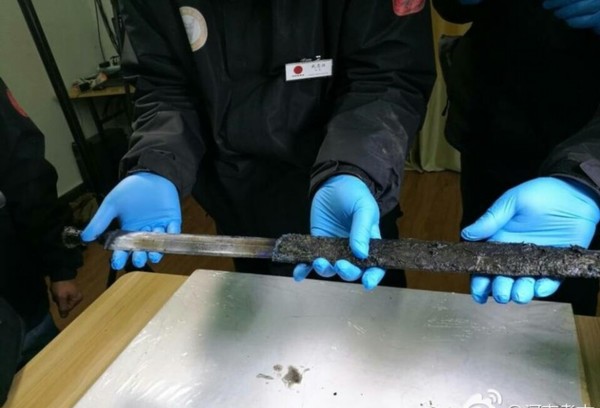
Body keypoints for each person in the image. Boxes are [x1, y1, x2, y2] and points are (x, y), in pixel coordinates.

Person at [81, 1, 436, 290]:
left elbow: (386, 74)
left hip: (349, 201)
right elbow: (164, 86)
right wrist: (155, 162)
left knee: (370, 334)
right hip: (240, 204)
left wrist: (356, 168)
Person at [431, 0, 600, 314]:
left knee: (566, 306)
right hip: (493, 121)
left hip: (584, 131)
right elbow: (451, 8)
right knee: (490, 283)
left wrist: (587, 178)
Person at [0, 77, 84, 375]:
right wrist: (61, 268)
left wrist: (60, 266)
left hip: (15, 298)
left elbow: (27, 179)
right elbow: (27, 178)